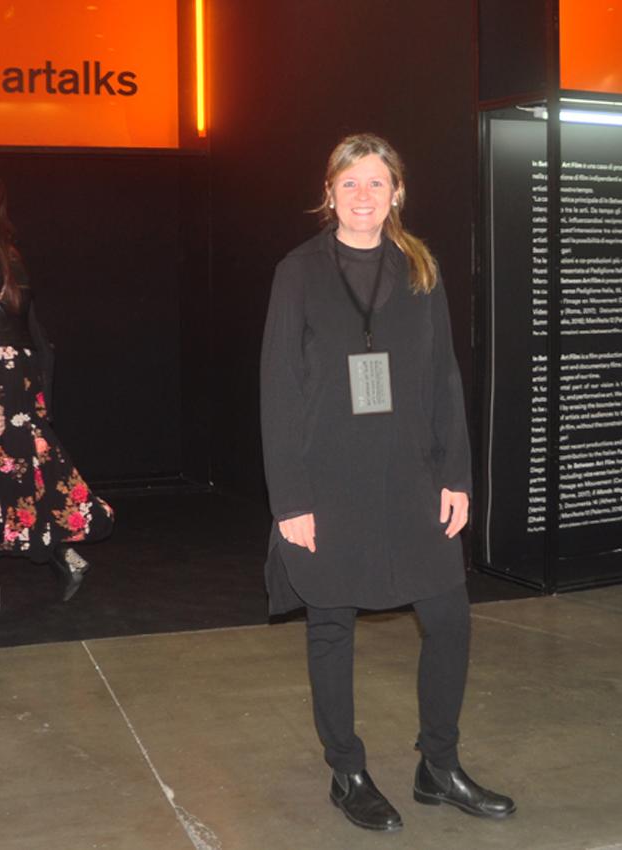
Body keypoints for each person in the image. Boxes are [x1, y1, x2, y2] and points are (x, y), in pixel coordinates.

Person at [259, 133, 515, 831]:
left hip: (411, 475)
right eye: (350, 183)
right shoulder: (298, 272)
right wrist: (291, 499)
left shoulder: (418, 268)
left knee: (449, 617)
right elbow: (278, 388)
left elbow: (443, 377)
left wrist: (456, 475)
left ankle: (439, 766)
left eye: (376, 182)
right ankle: (347, 771)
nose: (363, 195)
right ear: (329, 193)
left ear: (396, 192)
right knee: (330, 623)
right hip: (328, 479)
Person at [0, 169, 114, 613]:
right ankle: (56, 556)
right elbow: (28, 331)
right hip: (18, 374)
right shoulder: (11, 256)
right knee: (19, 471)